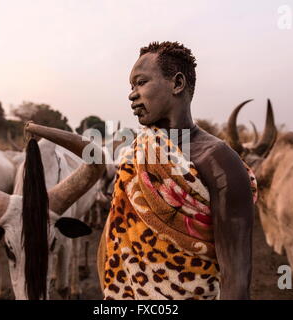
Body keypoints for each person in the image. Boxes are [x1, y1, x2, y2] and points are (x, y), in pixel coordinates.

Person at [98, 41, 256, 300]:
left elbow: (236, 279)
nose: (131, 94)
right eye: (130, 86)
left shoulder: (219, 161)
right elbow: (113, 243)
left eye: (141, 82)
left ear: (177, 83)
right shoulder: (137, 153)